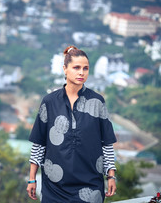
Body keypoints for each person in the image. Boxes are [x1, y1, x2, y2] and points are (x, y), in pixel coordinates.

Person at [27, 46, 117, 203]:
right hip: (54, 188)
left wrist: (111, 175)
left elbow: (106, 144)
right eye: (76, 67)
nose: (81, 72)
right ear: (65, 69)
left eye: (85, 68)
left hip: (90, 187)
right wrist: (32, 178)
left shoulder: (97, 102)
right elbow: (39, 144)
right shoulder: (49, 102)